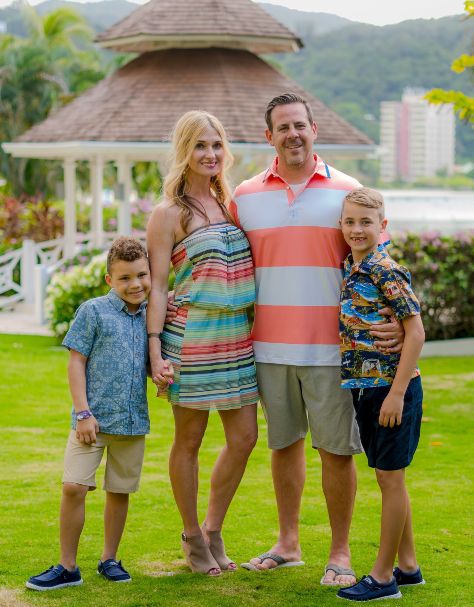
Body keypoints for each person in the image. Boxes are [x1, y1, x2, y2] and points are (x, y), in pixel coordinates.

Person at [228, 93, 403, 583]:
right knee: (283, 446)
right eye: (282, 127)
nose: (293, 134)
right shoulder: (243, 196)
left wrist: (395, 319)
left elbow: (379, 263)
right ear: (269, 137)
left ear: (314, 129)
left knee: (336, 451)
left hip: (333, 348)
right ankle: (288, 544)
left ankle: (341, 553)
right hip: (267, 347)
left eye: (299, 125)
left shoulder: (347, 192)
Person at [146, 110, 258, 576]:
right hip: (190, 337)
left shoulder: (232, 205)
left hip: (237, 337)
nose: (210, 154)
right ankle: (192, 534)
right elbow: (156, 285)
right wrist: (155, 349)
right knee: (189, 439)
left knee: (245, 437)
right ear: (184, 152)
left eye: (216, 145)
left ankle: (213, 528)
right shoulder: (168, 214)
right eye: (200, 146)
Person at [26, 237, 152, 591]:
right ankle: (68, 567)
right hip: (91, 421)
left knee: (119, 490)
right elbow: (75, 361)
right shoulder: (93, 311)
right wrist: (83, 413)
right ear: (109, 279)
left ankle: (109, 559)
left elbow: (146, 360)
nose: (135, 284)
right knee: (73, 487)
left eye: (141, 275)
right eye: (125, 277)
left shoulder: (151, 315)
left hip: (132, 421)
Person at [336, 188, 425, 601]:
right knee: (388, 477)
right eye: (350, 221)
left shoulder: (385, 270)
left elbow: (416, 331)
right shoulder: (350, 268)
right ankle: (408, 566)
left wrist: (397, 393)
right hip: (364, 388)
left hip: (391, 389)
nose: (357, 229)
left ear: (382, 227)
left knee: (390, 479)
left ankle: (384, 578)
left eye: (366, 222)